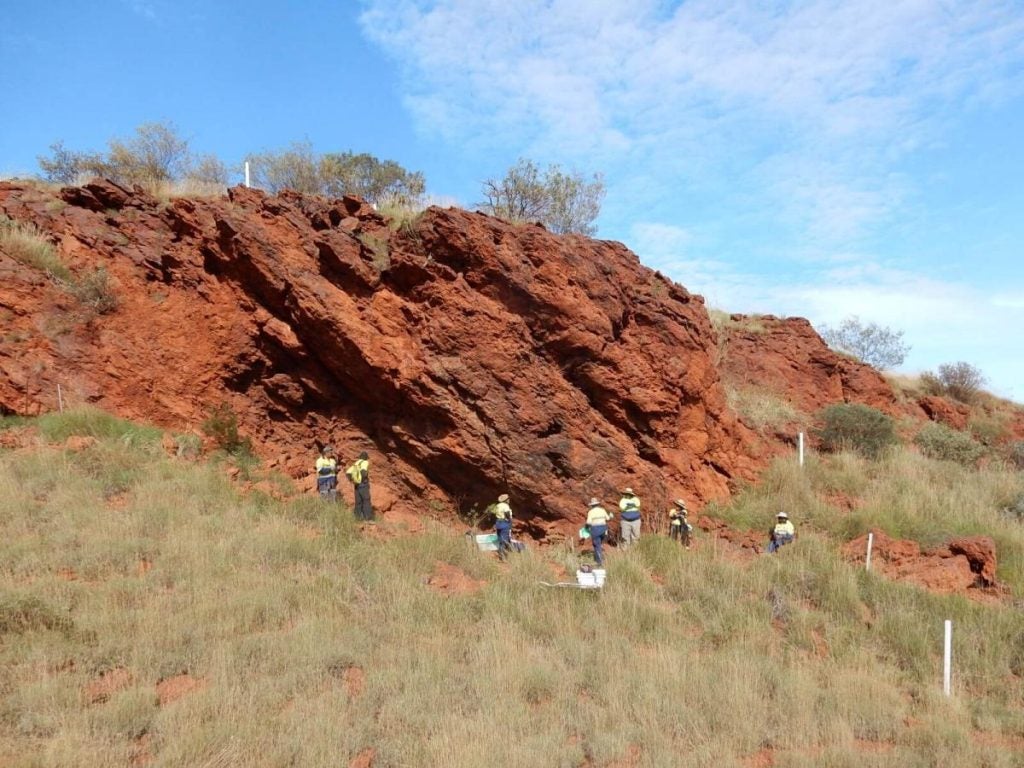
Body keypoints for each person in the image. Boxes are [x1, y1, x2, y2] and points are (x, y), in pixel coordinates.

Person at [346, 450, 374, 521]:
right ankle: (368, 518)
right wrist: (363, 480)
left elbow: (348, 472)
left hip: (356, 485)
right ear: (366, 457)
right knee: (366, 500)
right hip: (363, 484)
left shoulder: (356, 463)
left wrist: (353, 480)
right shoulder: (365, 462)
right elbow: (363, 472)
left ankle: (357, 518)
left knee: (358, 502)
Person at [585, 498, 613, 567]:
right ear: (598, 504)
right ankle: (601, 558)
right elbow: (608, 518)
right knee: (600, 544)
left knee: (597, 545)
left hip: (596, 529)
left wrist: (586, 527)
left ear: (592, 505)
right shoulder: (602, 510)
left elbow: (588, 522)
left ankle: (599, 562)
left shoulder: (591, 512)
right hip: (604, 529)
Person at [493, 493, 513, 560]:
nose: (509, 500)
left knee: (500, 539)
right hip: (504, 523)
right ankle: (503, 557)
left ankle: (500, 554)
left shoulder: (498, 505)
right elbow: (507, 514)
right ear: (506, 500)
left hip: (498, 523)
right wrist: (509, 520)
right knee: (505, 540)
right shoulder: (505, 506)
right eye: (508, 499)